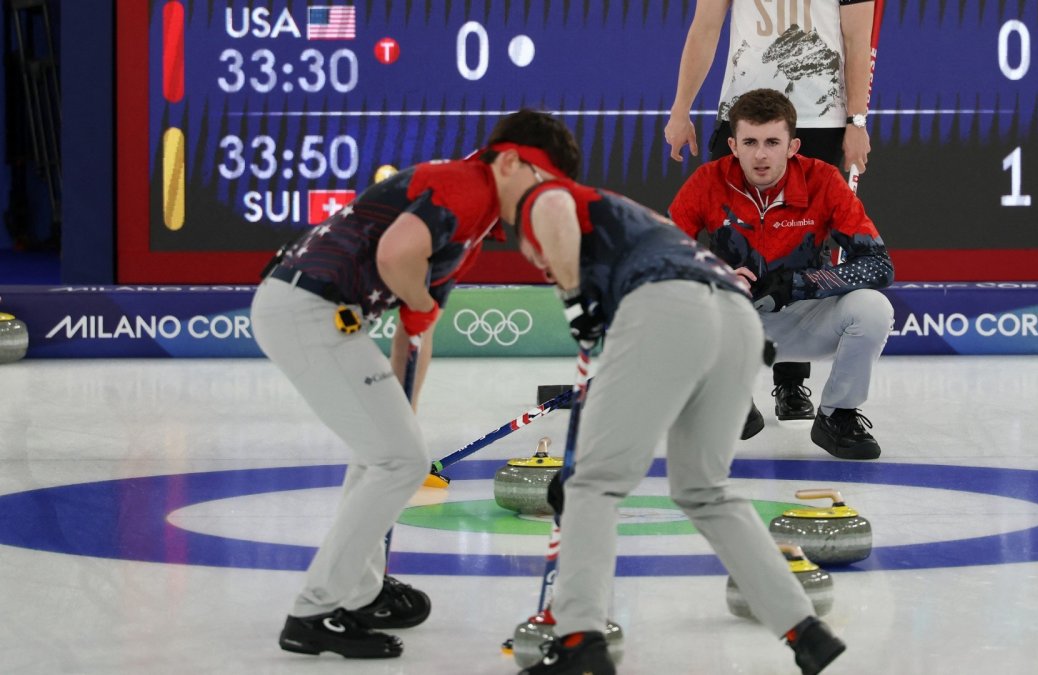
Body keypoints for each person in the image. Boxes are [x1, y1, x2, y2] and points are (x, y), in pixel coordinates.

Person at [512, 124, 845, 674]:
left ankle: (579, 645)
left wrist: (577, 309)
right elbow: (632, 364)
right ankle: (805, 630)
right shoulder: (635, 224)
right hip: (734, 319)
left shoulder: (543, 197)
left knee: (592, 484)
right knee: (705, 492)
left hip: (671, 309)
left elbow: (568, 247)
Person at [251, 110, 581, 660]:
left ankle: (361, 591)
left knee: (386, 453)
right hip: (308, 309)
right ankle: (314, 611)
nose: (543, 203)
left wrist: (405, 411)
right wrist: (423, 305)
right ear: (509, 162)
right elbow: (396, 256)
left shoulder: (471, 230)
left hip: (321, 312)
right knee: (398, 460)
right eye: (542, 184)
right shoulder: (467, 185)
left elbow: (413, 334)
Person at [665, 0, 877, 436]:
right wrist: (680, 108)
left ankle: (791, 383)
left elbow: (857, 38)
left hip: (821, 117)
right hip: (742, 113)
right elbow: (705, 28)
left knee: (803, 247)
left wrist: (856, 120)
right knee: (731, 245)